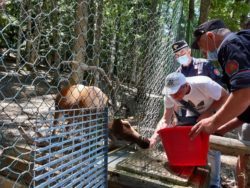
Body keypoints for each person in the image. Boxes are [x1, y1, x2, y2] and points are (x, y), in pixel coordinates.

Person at [190, 19, 250, 188]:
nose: (202, 52)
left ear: (210, 35)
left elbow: (244, 94)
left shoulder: (229, 45)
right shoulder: (244, 42)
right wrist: (221, 129)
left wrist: (213, 121)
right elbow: (247, 108)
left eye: (201, 45)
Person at [149, 72, 228, 188]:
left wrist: (208, 113)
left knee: (212, 147)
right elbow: (165, 119)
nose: (174, 96)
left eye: (177, 92)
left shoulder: (203, 83)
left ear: (186, 85)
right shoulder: (169, 95)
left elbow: (225, 96)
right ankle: (192, 165)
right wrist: (154, 137)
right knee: (190, 140)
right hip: (195, 113)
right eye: (171, 93)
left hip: (214, 110)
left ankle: (215, 182)